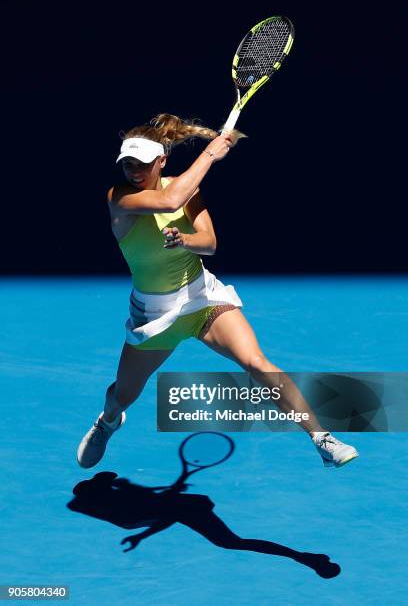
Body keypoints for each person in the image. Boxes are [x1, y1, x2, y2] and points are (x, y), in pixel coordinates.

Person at [76, 113, 358, 469]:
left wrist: (184, 242)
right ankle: (108, 422)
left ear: (161, 160)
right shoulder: (119, 197)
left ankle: (322, 439)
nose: (134, 172)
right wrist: (210, 154)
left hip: (202, 299)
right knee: (123, 395)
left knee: (256, 362)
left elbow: (209, 244)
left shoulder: (185, 187)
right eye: (128, 164)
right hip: (154, 315)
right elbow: (168, 202)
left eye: (143, 164)